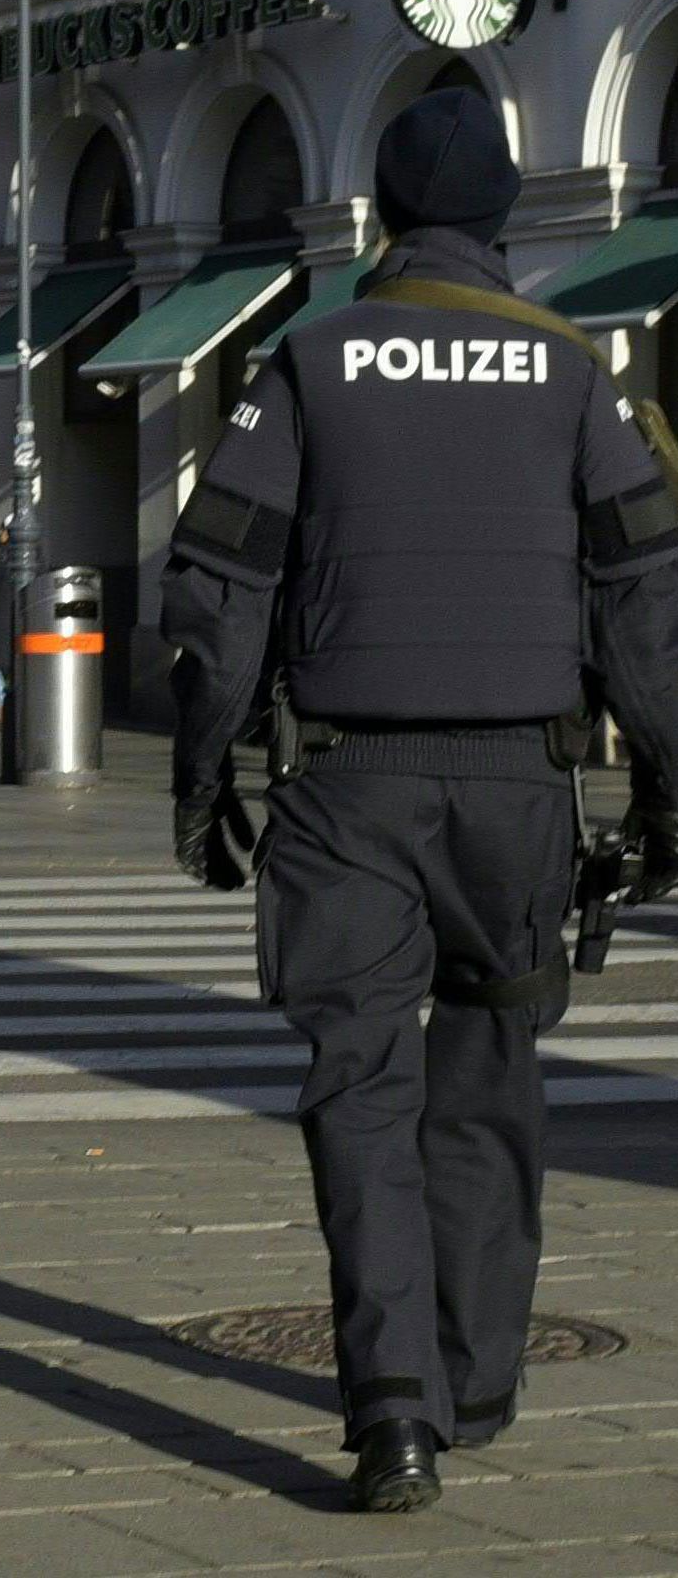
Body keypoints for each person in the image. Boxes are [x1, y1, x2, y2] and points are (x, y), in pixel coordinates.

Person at [163, 87, 678, 1513]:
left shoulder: (309, 360)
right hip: (517, 786)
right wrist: (670, 789)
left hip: (344, 791)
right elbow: (646, 602)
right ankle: (479, 1373)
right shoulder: (576, 372)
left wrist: (202, 781)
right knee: (493, 1087)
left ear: (382, 212)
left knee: (359, 1096)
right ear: (504, 217)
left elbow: (217, 591)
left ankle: (393, 1412)